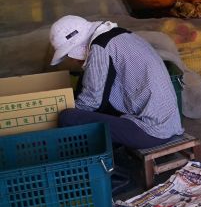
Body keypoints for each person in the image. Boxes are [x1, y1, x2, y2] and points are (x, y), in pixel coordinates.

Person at [50, 15, 184, 150]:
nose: (73, 60)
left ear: (77, 46)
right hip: (169, 124)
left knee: (68, 118)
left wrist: (56, 113)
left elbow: (92, 101)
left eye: (70, 54)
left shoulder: (100, 46)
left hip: (150, 131)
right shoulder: (120, 34)